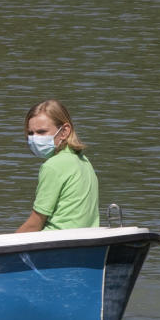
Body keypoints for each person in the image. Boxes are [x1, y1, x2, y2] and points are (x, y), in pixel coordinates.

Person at [16, 99, 99, 232]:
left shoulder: (53, 166)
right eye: (30, 133)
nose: (34, 139)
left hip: (55, 239)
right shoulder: (83, 161)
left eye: (42, 132)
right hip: (83, 238)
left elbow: (35, 223)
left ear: (64, 131)